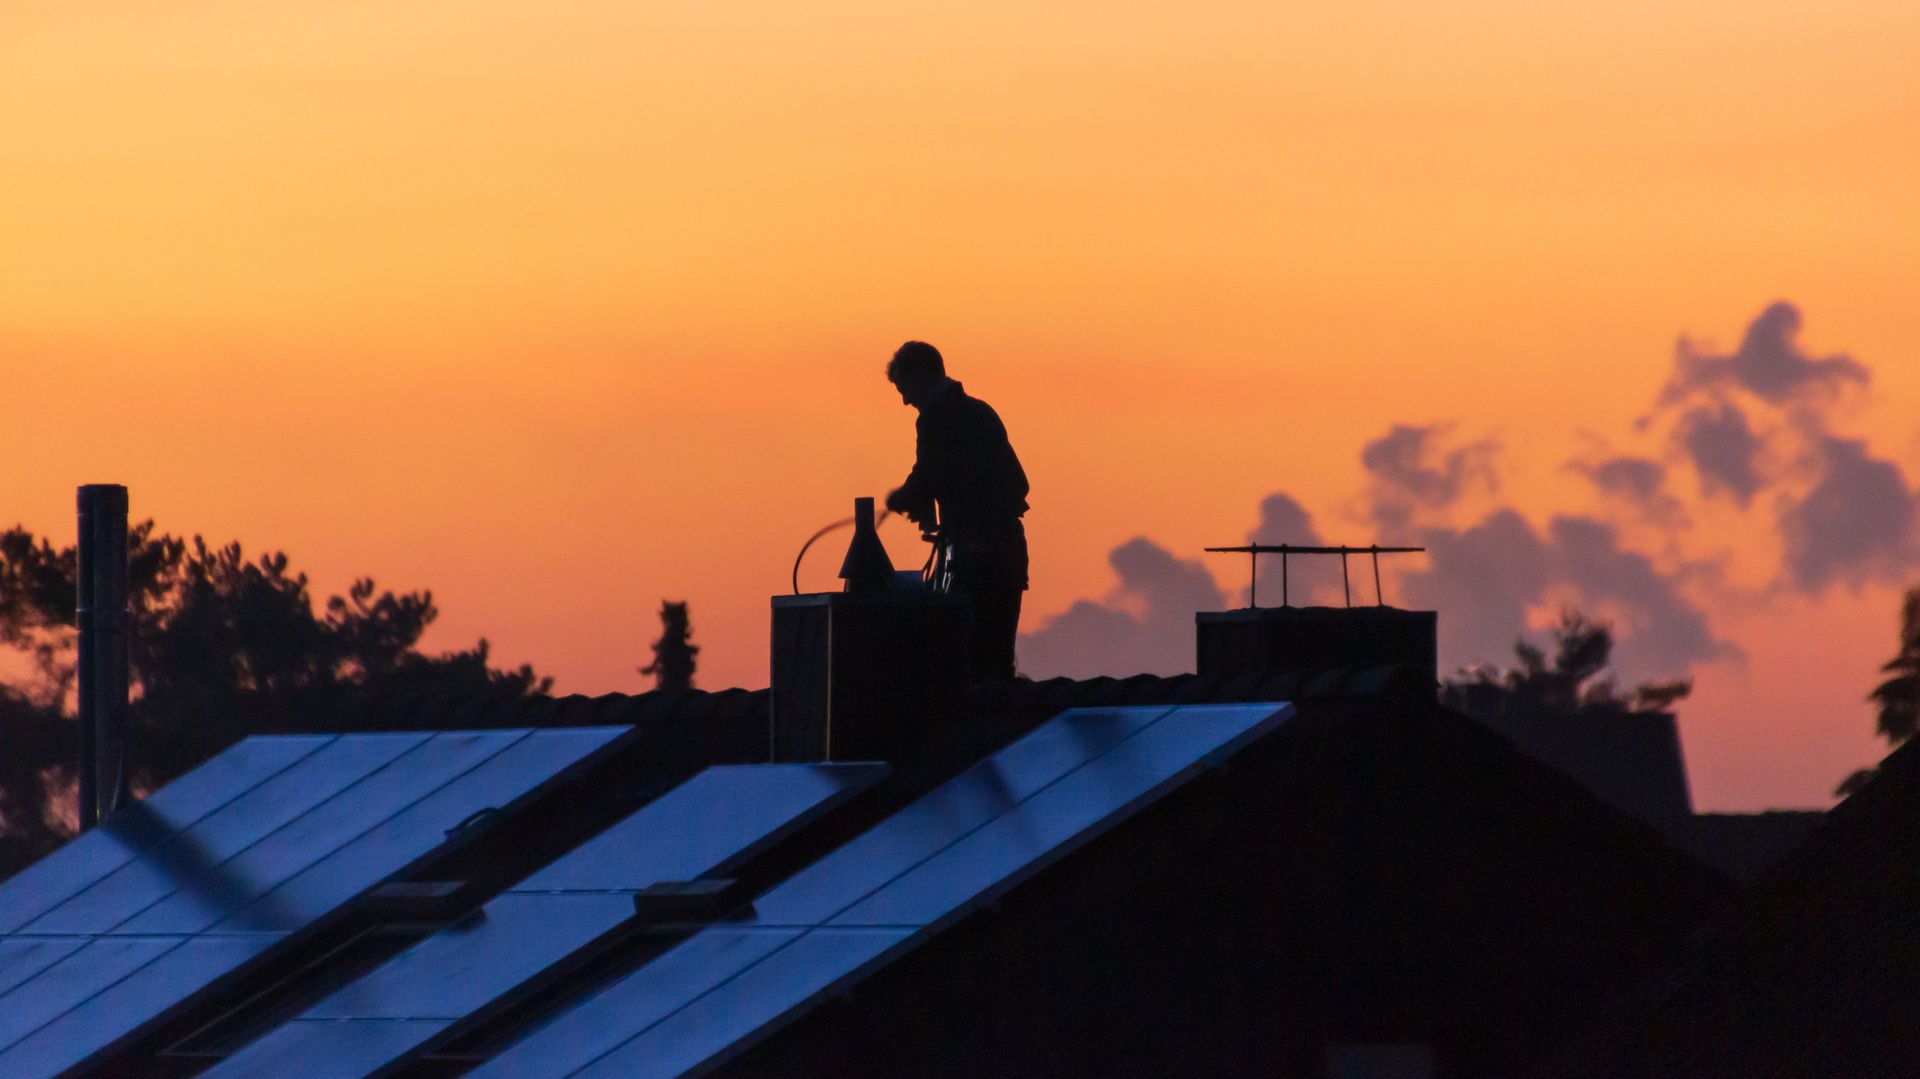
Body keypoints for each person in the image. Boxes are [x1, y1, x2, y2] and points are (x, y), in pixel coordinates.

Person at [884, 341, 1030, 680]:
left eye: (905, 389)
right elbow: (1017, 483)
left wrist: (902, 498)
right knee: (998, 659)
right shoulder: (982, 412)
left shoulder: (935, 419)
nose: (906, 401)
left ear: (921, 376)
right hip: (1009, 549)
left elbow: (928, 474)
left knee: (967, 660)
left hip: (972, 556)